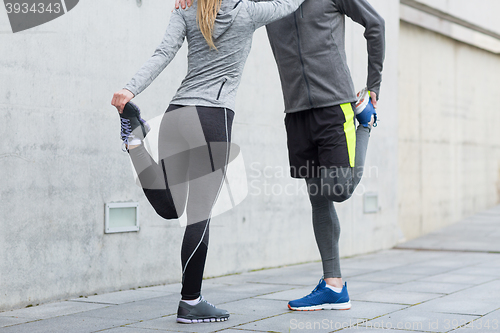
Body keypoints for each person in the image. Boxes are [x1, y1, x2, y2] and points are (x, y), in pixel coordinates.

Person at [176, 0, 386, 311]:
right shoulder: (268, 4)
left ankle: (366, 123)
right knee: (319, 197)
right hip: (297, 111)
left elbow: (376, 24)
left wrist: (373, 86)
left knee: (339, 189)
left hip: (335, 105)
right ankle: (333, 285)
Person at [111, 0, 306, 324]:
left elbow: (163, 53)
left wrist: (129, 89)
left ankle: (134, 141)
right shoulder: (248, 12)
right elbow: (289, 3)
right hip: (213, 118)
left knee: (172, 207)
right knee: (198, 215)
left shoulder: (186, 9)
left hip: (178, 115)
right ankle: (191, 302)